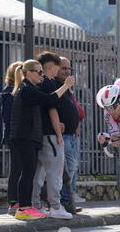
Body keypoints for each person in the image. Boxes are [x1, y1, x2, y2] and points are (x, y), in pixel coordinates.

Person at [10, 60, 74, 220]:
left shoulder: (30, 89)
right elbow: (49, 100)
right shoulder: (27, 90)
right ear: (29, 73)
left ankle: (28, 206)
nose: (42, 76)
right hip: (24, 137)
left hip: (28, 138)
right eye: (39, 72)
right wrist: (65, 86)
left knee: (29, 173)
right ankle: (23, 208)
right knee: (27, 173)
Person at [31, 52, 73, 220]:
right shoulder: (48, 83)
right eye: (58, 66)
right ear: (50, 66)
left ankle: (35, 204)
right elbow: (52, 110)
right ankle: (55, 206)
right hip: (50, 135)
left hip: (40, 135)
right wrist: (58, 134)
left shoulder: (38, 83)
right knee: (54, 173)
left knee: (39, 174)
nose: (59, 70)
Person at [56, 57, 84, 214]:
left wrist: (76, 125)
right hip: (63, 134)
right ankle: (64, 200)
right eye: (63, 68)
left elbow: (73, 107)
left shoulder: (68, 87)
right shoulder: (57, 85)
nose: (67, 71)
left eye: (68, 68)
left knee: (73, 168)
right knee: (69, 167)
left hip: (72, 133)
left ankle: (69, 200)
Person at [0, 61, 23, 215]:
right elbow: (8, 117)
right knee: (16, 168)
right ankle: (13, 202)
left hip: (17, 135)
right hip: (15, 136)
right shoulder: (9, 92)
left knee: (20, 168)